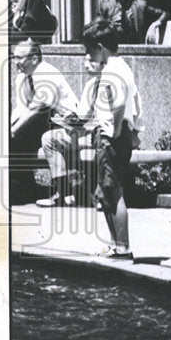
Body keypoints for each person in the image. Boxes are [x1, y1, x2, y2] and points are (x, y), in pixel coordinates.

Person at [39, 19, 144, 259]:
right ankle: (117, 246)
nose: (88, 55)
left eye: (89, 50)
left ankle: (123, 248)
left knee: (112, 193)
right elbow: (132, 105)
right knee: (103, 193)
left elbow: (118, 105)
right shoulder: (121, 67)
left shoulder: (111, 70)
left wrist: (116, 131)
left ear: (99, 46)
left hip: (110, 137)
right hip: (110, 136)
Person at [9, 39, 79, 204]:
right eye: (14, 57)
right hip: (41, 123)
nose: (16, 62)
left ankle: (22, 187)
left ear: (34, 58)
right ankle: (23, 186)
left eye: (20, 58)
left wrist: (13, 130)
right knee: (13, 137)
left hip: (66, 124)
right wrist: (8, 127)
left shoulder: (46, 72)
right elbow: (21, 109)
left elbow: (38, 108)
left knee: (18, 136)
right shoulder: (22, 78)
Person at [98, 0, 168, 45]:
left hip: (135, 49)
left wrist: (154, 25)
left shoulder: (141, 5)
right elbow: (96, 28)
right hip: (113, 49)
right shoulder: (106, 7)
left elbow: (165, 13)